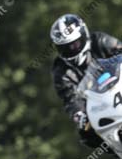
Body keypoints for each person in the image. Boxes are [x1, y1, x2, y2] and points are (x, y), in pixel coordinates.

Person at [50, 14, 122, 148]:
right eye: (65, 47)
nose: (71, 49)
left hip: (119, 86)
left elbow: (120, 52)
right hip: (98, 106)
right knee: (86, 134)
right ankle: (117, 150)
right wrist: (79, 114)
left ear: (84, 35)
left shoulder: (100, 41)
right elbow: (70, 99)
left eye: (75, 44)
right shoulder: (61, 70)